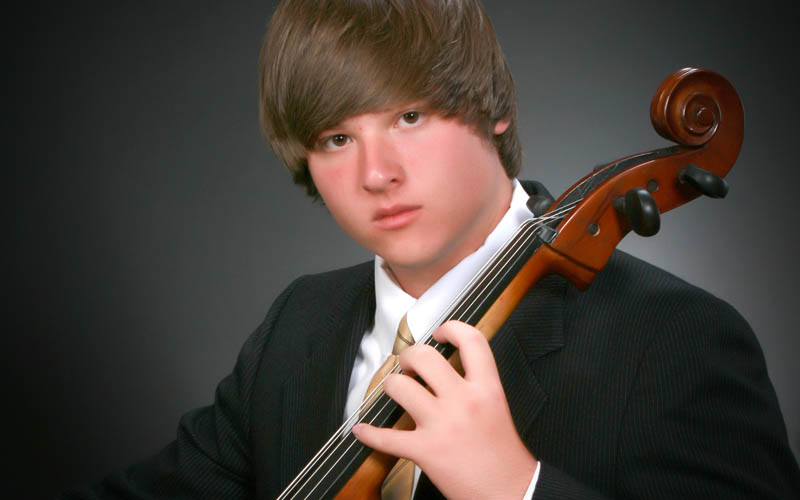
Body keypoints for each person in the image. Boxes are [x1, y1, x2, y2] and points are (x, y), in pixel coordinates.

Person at [61, 0, 800, 498]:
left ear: (494, 108)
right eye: (337, 138)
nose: (376, 174)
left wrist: (516, 488)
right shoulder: (296, 327)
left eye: (409, 117)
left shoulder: (676, 341)